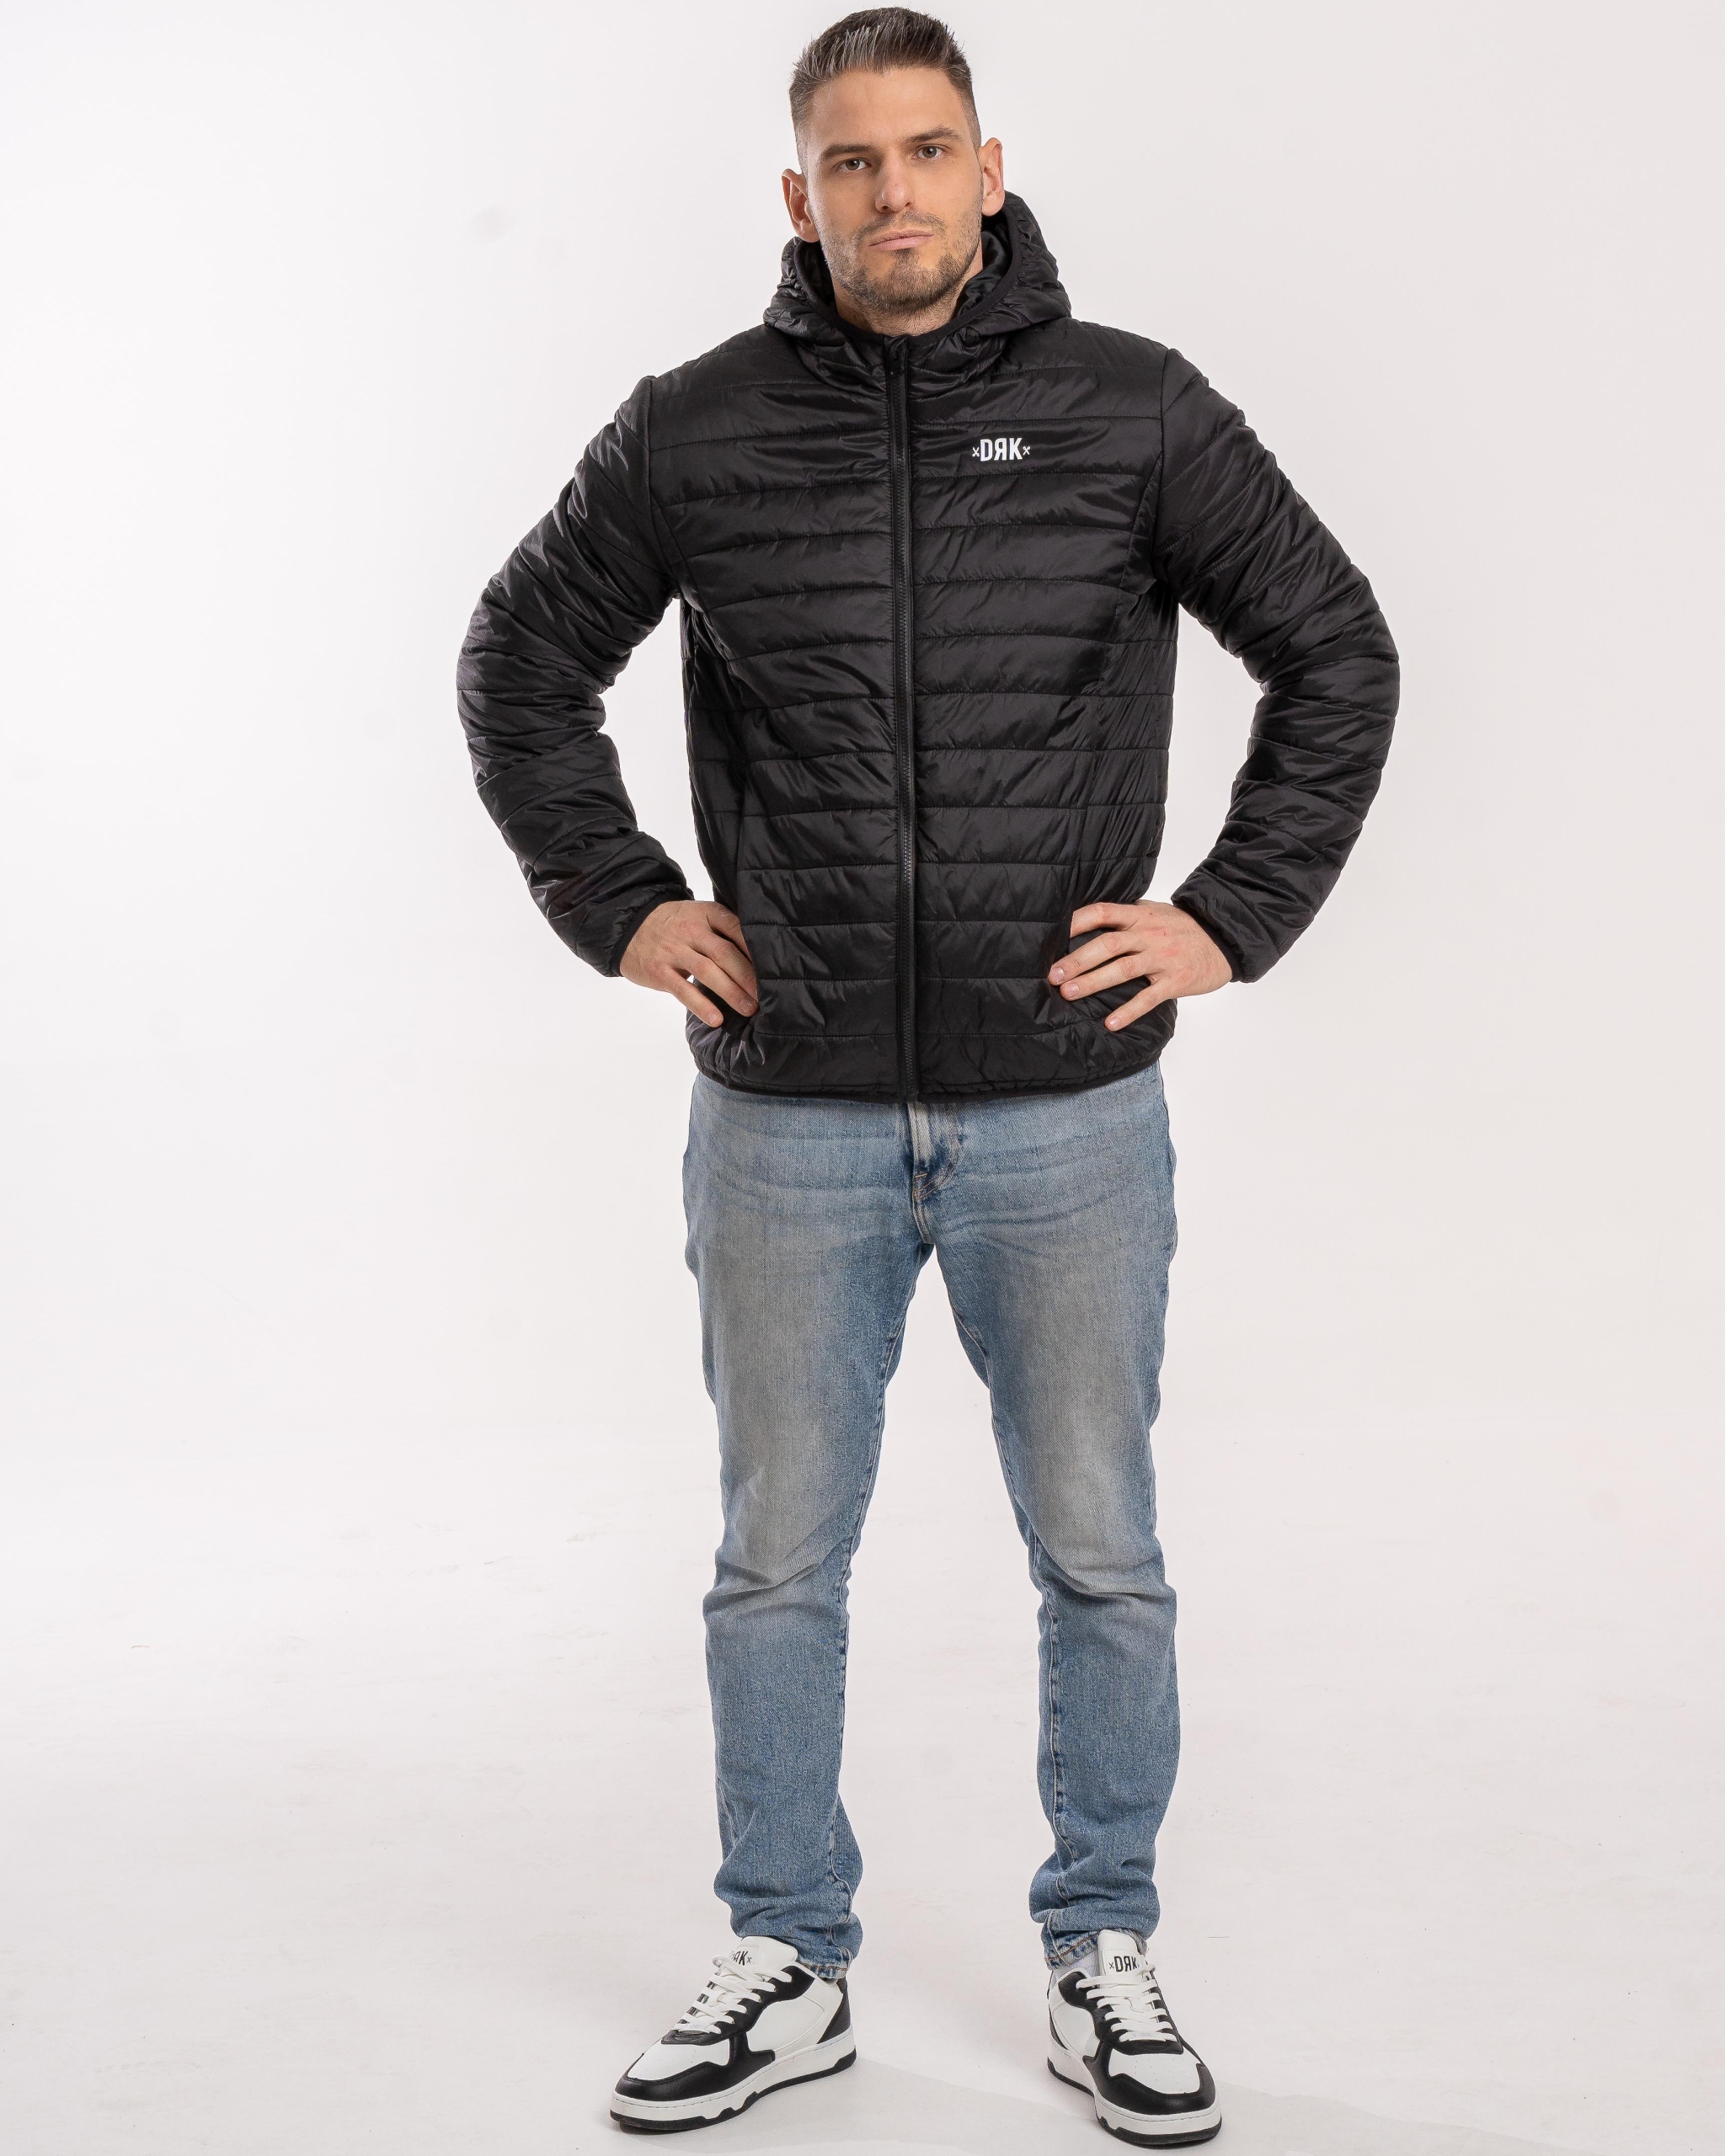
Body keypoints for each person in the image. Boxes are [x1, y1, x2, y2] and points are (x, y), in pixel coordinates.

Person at [458, 8, 1397, 2143]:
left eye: (927, 148)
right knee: (776, 1558)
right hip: (782, 1110)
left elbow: (1335, 647)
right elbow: (519, 659)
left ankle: (1102, 1945)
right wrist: (620, 900)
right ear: (798, 195)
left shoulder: (1135, 410)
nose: (894, 190)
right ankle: (787, 1954)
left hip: (1066, 1102)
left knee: (1101, 1550)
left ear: (989, 166)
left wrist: (1227, 916)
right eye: (853, 160)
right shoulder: (693, 429)